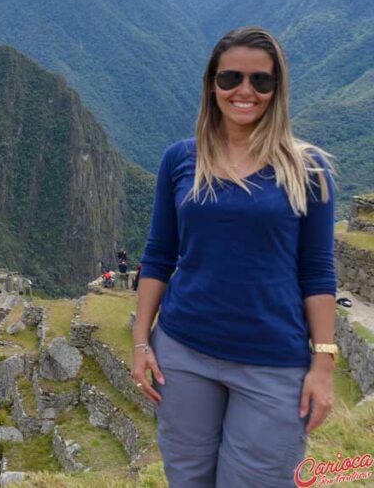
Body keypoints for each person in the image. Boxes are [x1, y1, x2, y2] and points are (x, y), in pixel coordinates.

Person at [131, 27, 337, 487]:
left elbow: (318, 272)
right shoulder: (181, 160)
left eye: (260, 81)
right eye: (231, 78)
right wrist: (141, 342)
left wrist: (322, 365)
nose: (245, 91)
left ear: (277, 89)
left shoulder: (308, 170)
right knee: (187, 477)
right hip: (183, 352)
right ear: (212, 84)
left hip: (273, 361)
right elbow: (159, 256)